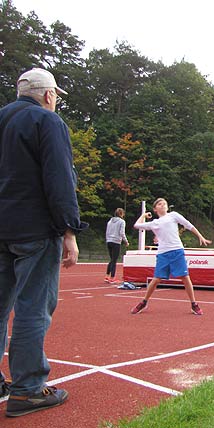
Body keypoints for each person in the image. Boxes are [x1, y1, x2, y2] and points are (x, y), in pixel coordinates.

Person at [0, 68, 88, 417]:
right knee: (32, 309)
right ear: (49, 95)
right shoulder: (47, 122)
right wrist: (69, 230)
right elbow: (59, 177)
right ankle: (28, 389)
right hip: (34, 230)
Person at [130, 198, 211, 315]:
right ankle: (144, 302)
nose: (162, 205)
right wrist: (143, 215)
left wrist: (200, 236)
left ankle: (194, 304)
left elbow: (188, 224)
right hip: (163, 254)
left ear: (167, 207)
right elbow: (137, 225)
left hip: (177, 251)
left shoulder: (173, 215)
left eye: (164, 204)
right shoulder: (154, 223)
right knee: (156, 279)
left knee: (185, 277)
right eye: (159, 204)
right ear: (155, 209)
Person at [105, 208, 129, 283]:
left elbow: (107, 231)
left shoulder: (110, 221)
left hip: (109, 241)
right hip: (116, 241)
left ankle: (107, 276)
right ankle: (112, 277)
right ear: (122, 214)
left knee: (112, 259)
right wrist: (126, 241)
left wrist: (107, 239)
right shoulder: (122, 222)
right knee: (114, 260)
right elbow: (122, 232)